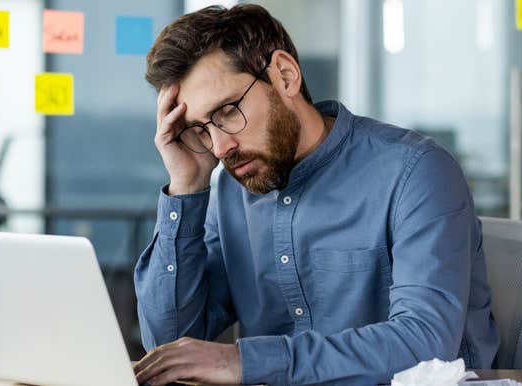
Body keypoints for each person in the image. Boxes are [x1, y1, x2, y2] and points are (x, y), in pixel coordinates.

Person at [133, 4, 499, 386]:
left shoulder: (415, 172)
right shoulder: (230, 192)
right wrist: (187, 186)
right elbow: (168, 345)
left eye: (227, 111)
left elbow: (425, 343)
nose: (220, 146)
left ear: (286, 76)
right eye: (201, 129)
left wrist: (245, 362)